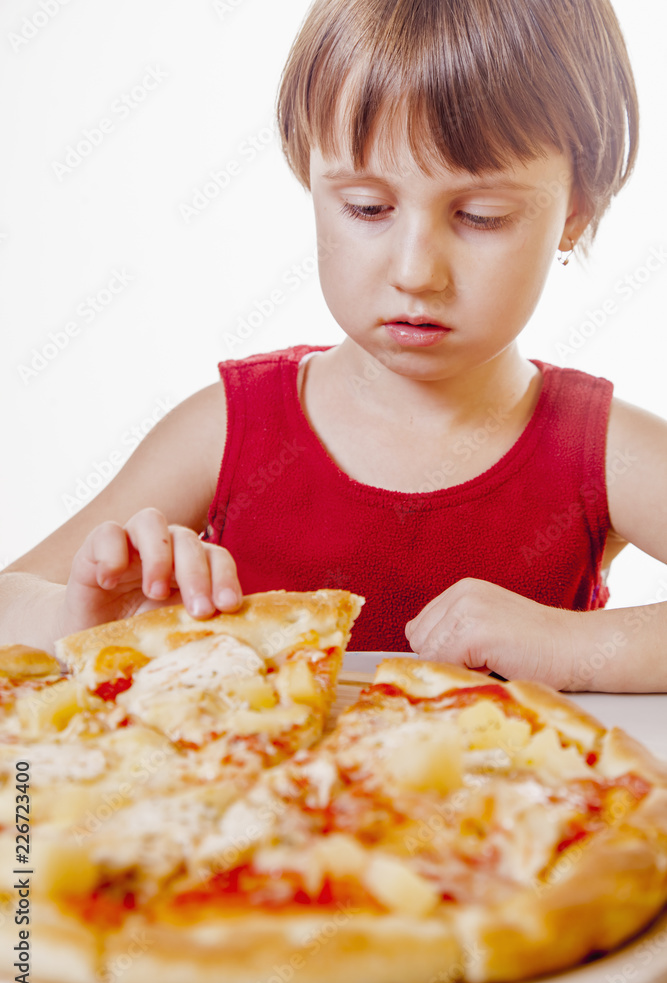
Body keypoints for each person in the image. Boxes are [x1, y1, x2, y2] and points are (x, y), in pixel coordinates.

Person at [1, 0, 665, 692]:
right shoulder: (227, 431)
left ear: (574, 213)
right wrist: (72, 617)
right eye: (368, 208)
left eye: (479, 216)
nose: (415, 271)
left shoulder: (598, 450)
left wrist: (577, 645)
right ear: (308, 177)